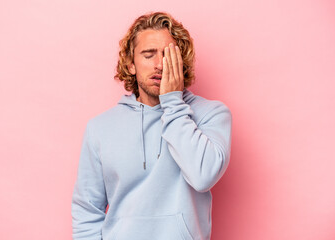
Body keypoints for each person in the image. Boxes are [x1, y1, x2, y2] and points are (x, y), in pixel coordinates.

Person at [72, 11, 232, 240]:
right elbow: (86, 210)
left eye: (168, 55)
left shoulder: (211, 114)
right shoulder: (100, 128)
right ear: (131, 65)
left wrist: (173, 103)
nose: (159, 65)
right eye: (149, 55)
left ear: (181, 61)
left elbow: (203, 176)